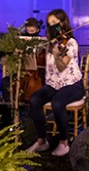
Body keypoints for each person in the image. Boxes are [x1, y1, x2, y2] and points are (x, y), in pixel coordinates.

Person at [26, 9, 84, 157]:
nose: (51, 26)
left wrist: (58, 52)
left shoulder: (70, 43)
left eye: (54, 23)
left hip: (72, 84)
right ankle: (41, 141)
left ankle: (64, 142)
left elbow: (62, 66)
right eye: (49, 24)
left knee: (57, 103)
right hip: (53, 84)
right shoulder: (50, 43)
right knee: (34, 99)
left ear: (62, 23)